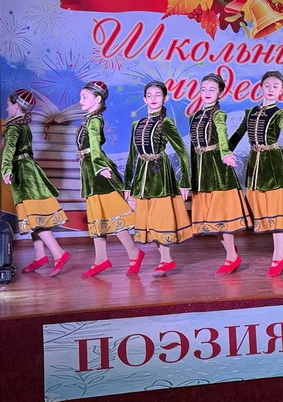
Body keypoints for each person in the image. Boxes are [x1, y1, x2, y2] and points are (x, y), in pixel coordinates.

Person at [228, 71, 283, 276]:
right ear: (260, 87)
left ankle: (278, 257)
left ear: (282, 91)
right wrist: (224, 152)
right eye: (267, 85)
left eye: (275, 86)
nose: (271, 89)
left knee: (277, 211)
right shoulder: (250, 112)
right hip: (256, 166)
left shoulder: (280, 113)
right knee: (267, 214)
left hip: (274, 164)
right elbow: (237, 135)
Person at [124, 81, 192, 277]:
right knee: (148, 220)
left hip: (160, 174)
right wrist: (127, 184)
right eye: (150, 95)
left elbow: (182, 152)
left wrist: (185, 182)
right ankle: (165, 260)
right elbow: (132, 156)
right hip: (142, 178)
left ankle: (166, 259)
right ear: (144, 99)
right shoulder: (136, 124)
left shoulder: (167, 123)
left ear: (165, 98)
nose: (153, 99)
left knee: (160, 218)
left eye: (158, 95)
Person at [77, 81, 144, 277]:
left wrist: (99, 166)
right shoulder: (88, 119)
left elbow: (95, 145)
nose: (80, 101)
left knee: (114, 215)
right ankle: (101, 259)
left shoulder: (94, 120)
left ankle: (134, 253)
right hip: (90, 170)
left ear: (97, 99)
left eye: (84, 97)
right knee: (98, 216)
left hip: (98, 171)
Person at [1, 89, 70, 276]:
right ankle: (40, 255)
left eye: (8, 105)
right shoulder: (22, 126)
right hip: (28, 170)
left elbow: (8, 150)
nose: (6, 108)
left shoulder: (14, 127)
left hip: (24, 174)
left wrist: (6, 168)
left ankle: (59, 253)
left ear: (16, 106)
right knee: (32, 217)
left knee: (35, 217)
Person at [190, 73, 252, 276]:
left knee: (222, 217)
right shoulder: (194, 116)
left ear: (220, 93)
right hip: (201, 171)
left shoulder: (219, 115)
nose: (207, 93)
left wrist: (225, 153)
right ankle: (231, 251)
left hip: (217, 168)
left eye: (212, 89)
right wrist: (191, 175)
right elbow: (192, 148)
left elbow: (223, 136)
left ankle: (231, 257)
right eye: (204, 89)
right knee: (208, 220)